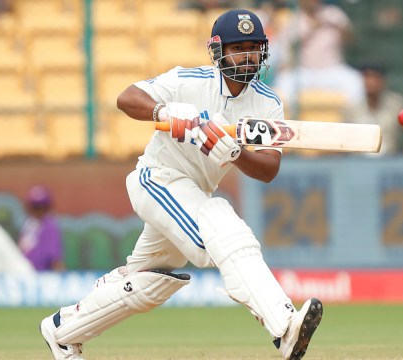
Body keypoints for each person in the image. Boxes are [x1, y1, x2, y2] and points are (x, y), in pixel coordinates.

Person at [39, 9, 322, 360]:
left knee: (150, 280)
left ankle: (62, 331)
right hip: (156, 178)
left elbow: (268, 169)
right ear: (218, 51)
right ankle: (283, 327)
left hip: (193, 193)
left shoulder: (268, 102)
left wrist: (234, 152)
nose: (247, 56)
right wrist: (164, 111)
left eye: (253, 47)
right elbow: (126, 98)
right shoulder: (188, 81)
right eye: (238, 47)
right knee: (219, 225)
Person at [272, 0, 364, 107]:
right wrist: (311, 27)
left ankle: (350, 121)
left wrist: (341, 28)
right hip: (305, 72)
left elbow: (352, 41)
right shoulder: (295, 19)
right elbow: (286, 47)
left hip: (333, 69)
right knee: (284, 83)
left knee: (355, 82)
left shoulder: (334, 14)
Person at [345, 64, 403, 155]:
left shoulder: (396, 104)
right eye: (367, 76)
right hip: (359, 162)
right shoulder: (351, 107)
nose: (371, 81)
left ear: (383, 80)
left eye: (375, 77)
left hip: (388, 162)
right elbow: (342, 139)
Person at [18, 185, 66, 272]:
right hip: (26, 274)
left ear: (47, 208)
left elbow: (55, 260)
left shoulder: (50, 227)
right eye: (35, 207)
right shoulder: (28, 225)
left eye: (41, 207)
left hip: (43, 276)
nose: (38, 211)